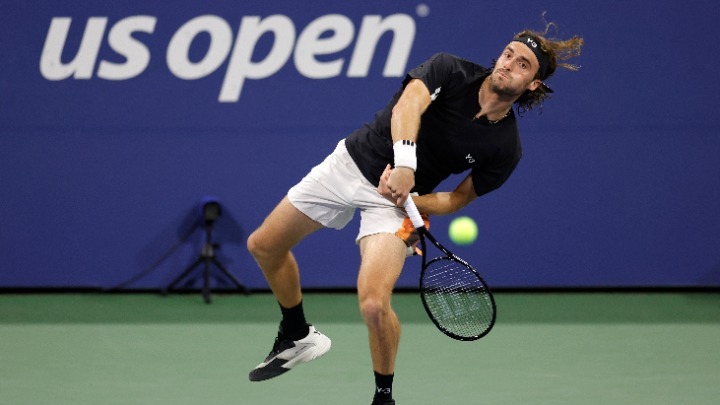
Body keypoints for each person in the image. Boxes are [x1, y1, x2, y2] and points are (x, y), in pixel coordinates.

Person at [246, 24, 584, 404]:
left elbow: (457, 199)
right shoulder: (449, 69)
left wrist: (409, 202)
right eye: (508, 53)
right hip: (352, 163)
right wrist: (405, 164)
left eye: (522, 64)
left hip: (398, 204)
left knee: (374, 304)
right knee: (264, 246)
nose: (508, 64)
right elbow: (408, 105)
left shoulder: (506, 147)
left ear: (533, 84)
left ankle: (383, 398)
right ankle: (297, 334)